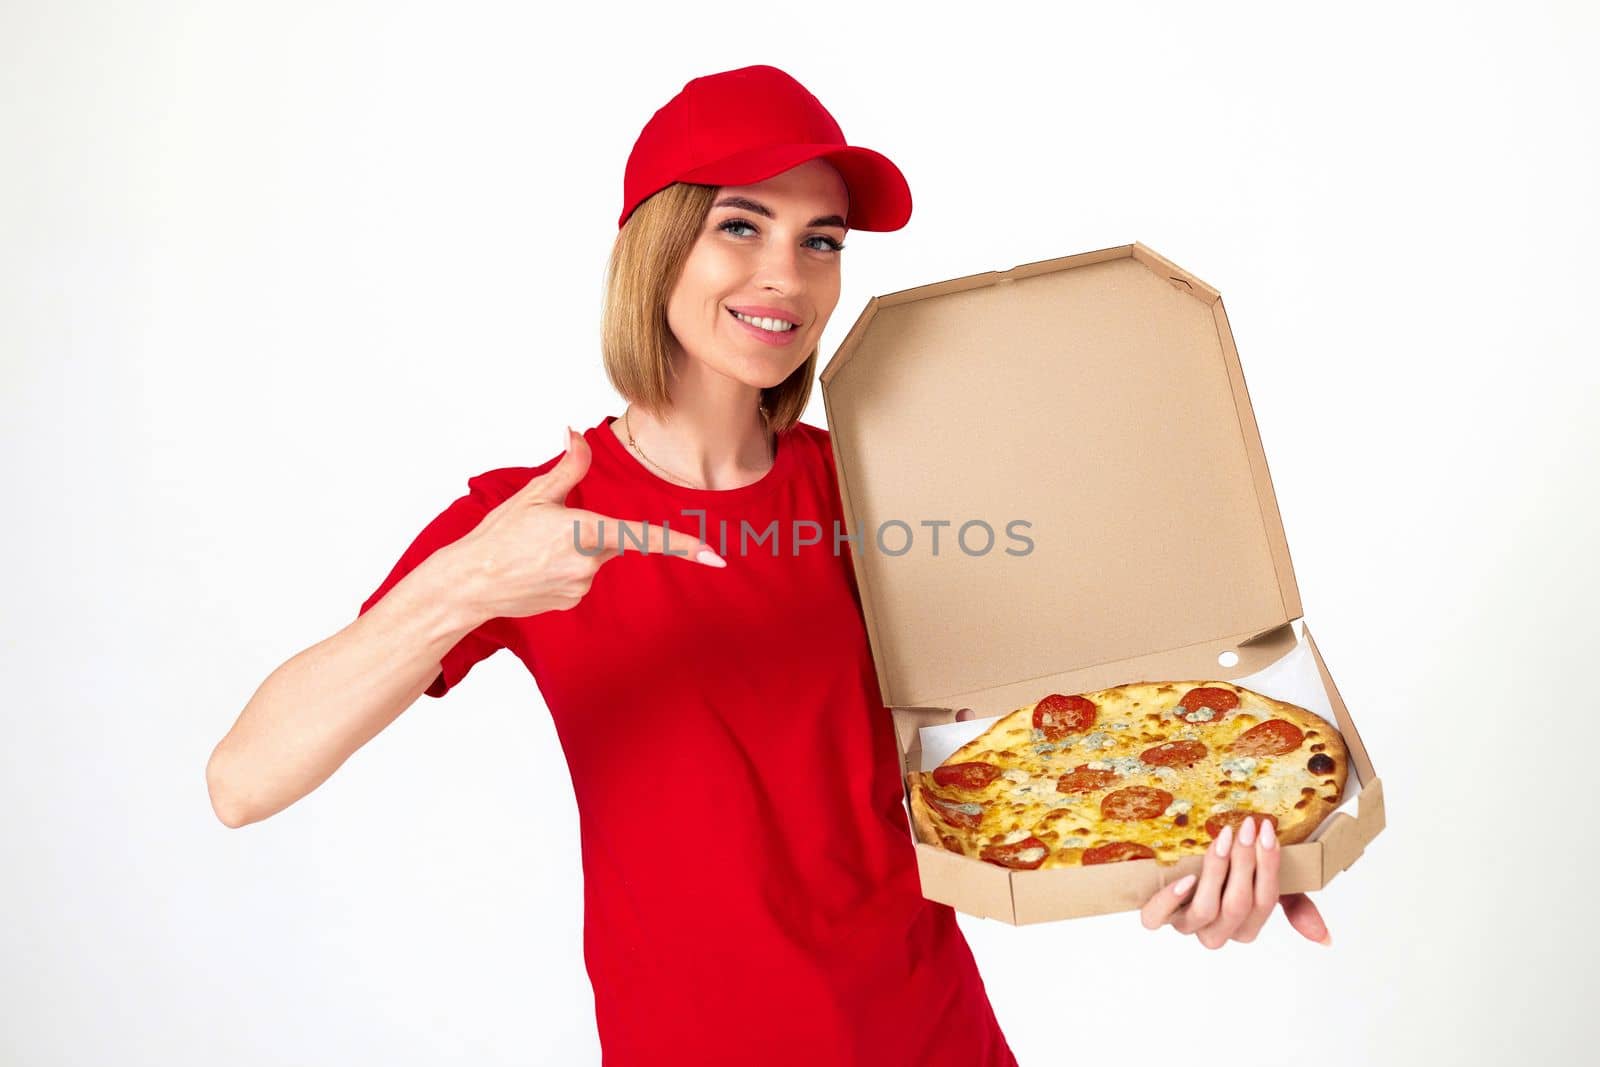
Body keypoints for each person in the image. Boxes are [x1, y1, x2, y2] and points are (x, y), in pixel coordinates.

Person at [205, 64, 1327, 1066]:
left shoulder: (880, 488)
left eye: (820, 239)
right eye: (741, 226)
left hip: (931, 1035)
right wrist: (463, 587)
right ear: (657, 244)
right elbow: (243, 780)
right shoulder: (529, 522)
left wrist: (1188, 852)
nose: (786, 273)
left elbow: (1025, 749)